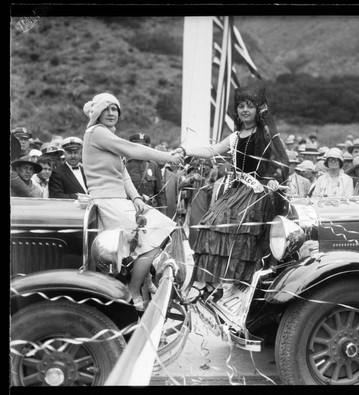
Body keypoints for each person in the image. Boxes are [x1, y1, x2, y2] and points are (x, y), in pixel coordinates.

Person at [173, 85, 289, 297]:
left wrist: (274, 178)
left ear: (258, 110)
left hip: (257, 193)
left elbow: (282, 159)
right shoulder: (235, 137)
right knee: (210, 225)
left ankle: (239, 283)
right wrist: (186, 150)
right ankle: (211, 280)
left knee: (241, 233)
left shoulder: (265, 134)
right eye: (241, 106)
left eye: (250, 106)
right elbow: (212, 150)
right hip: (236, 191)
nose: (245, 110)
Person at [82, 92, 183, 311]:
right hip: (108, 202)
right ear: (97, 112)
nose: (111, 113)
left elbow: (123, 173)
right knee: (154, 238)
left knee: (159, 230)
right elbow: (133, 149)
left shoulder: (106, 134)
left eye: (115, 109)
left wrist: (136, 197)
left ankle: (143, 280)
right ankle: (134, 289)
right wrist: (169, 157)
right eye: (106, 109)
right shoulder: (97, 132)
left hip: (118, 200)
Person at [126, 133, 168, 215]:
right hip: (131, 210)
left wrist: (163, 213)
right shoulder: (126, 166)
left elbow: (160, 194)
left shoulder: (153, 165)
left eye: (144, 147)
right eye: (137, 147)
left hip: (151, 210)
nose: (141, 149)